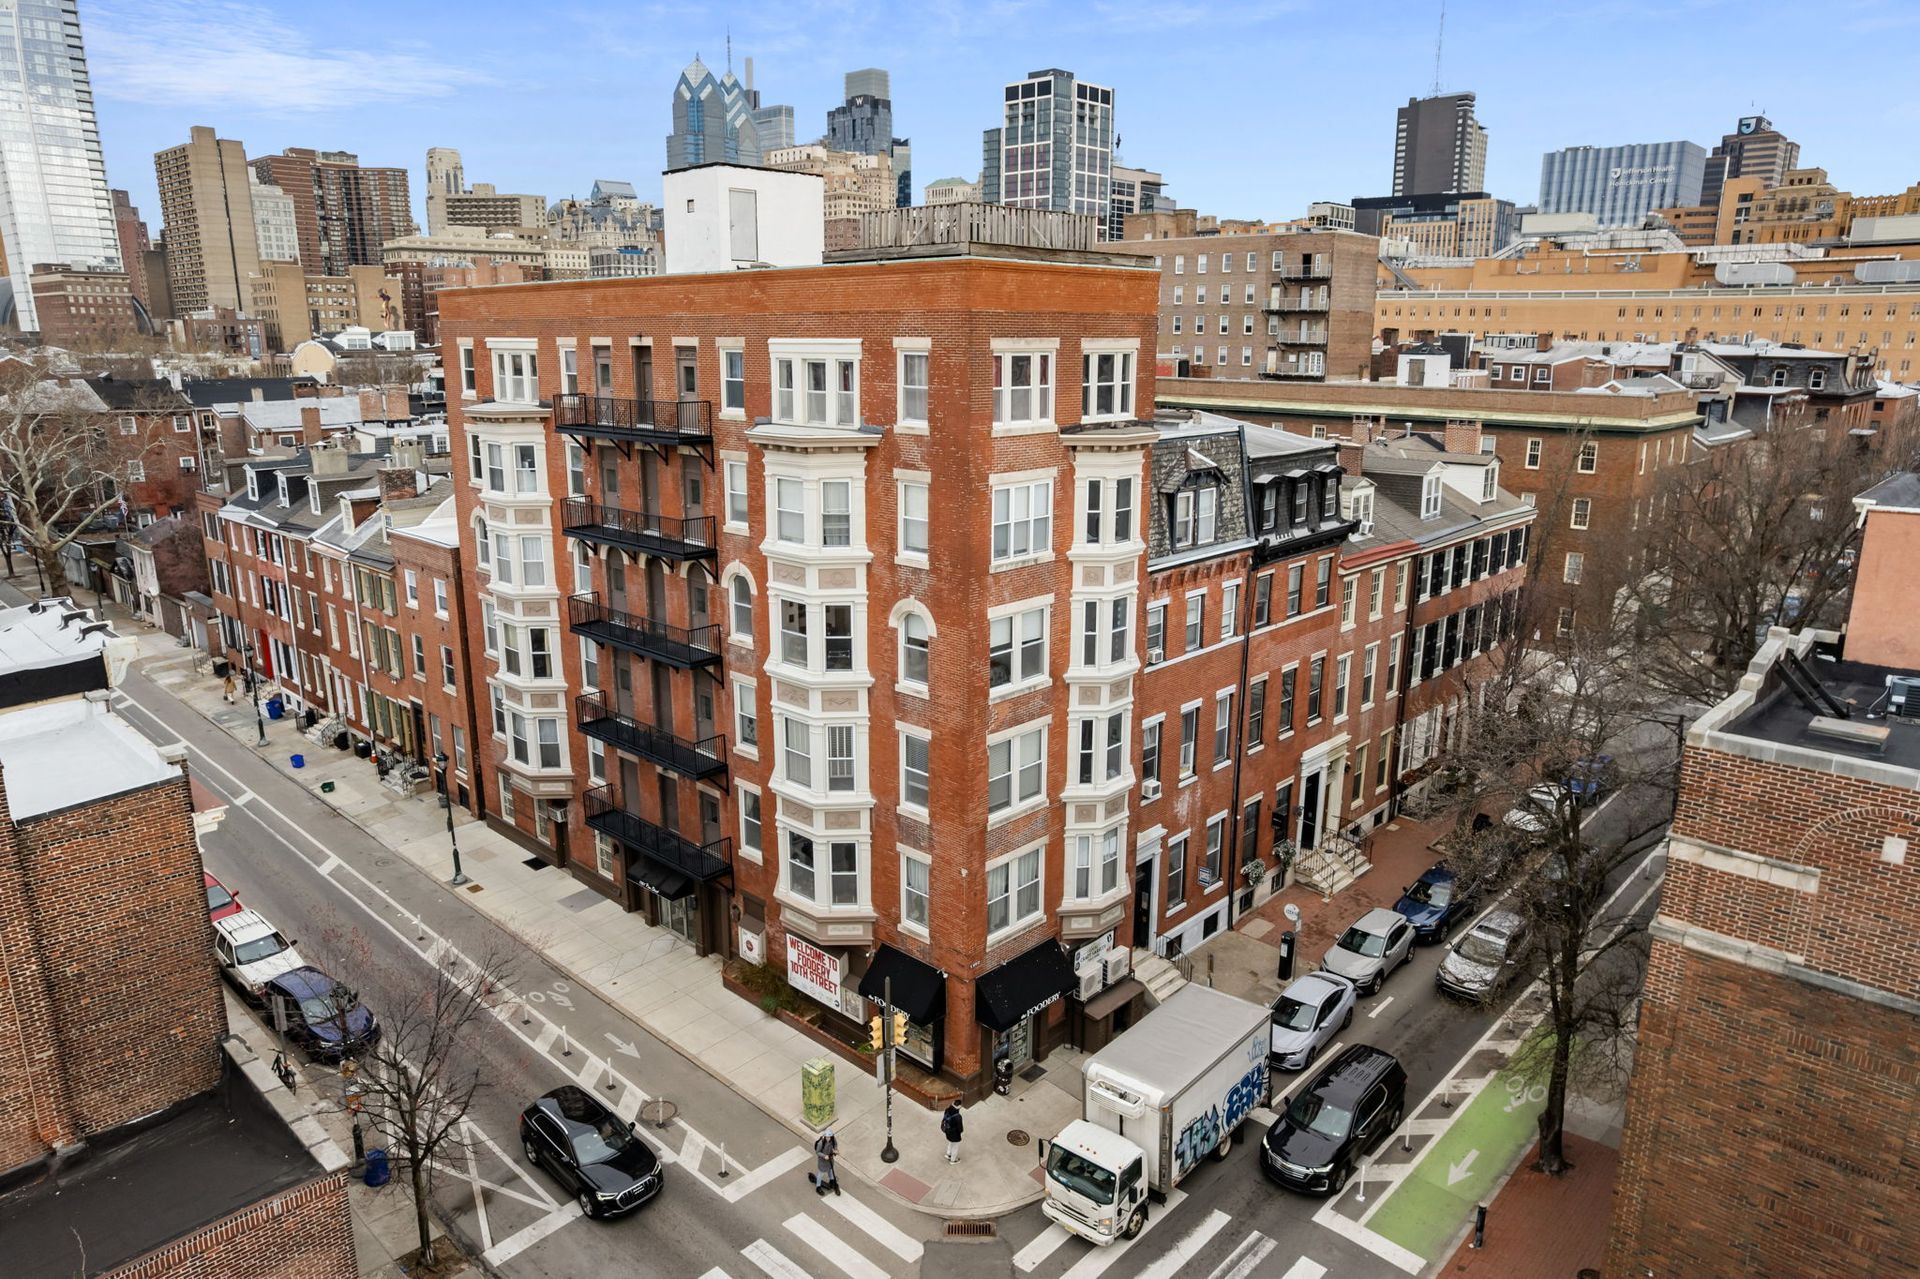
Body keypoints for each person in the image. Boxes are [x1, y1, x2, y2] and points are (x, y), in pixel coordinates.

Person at [812, 1128, 840, 1195]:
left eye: (829, 1137)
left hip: (830, 1159)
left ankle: (832, 1181)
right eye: (827, 1137)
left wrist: (835, 1150)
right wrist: (824, 1156)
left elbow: (835, 1144)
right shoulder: (821, 1143)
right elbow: (817, 1152)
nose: (828, 1138)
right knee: (821, 1174)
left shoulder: (833, 1139)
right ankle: (818, 1187)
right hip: (823, 1162)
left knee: (830, 1171)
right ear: (825, 1136)